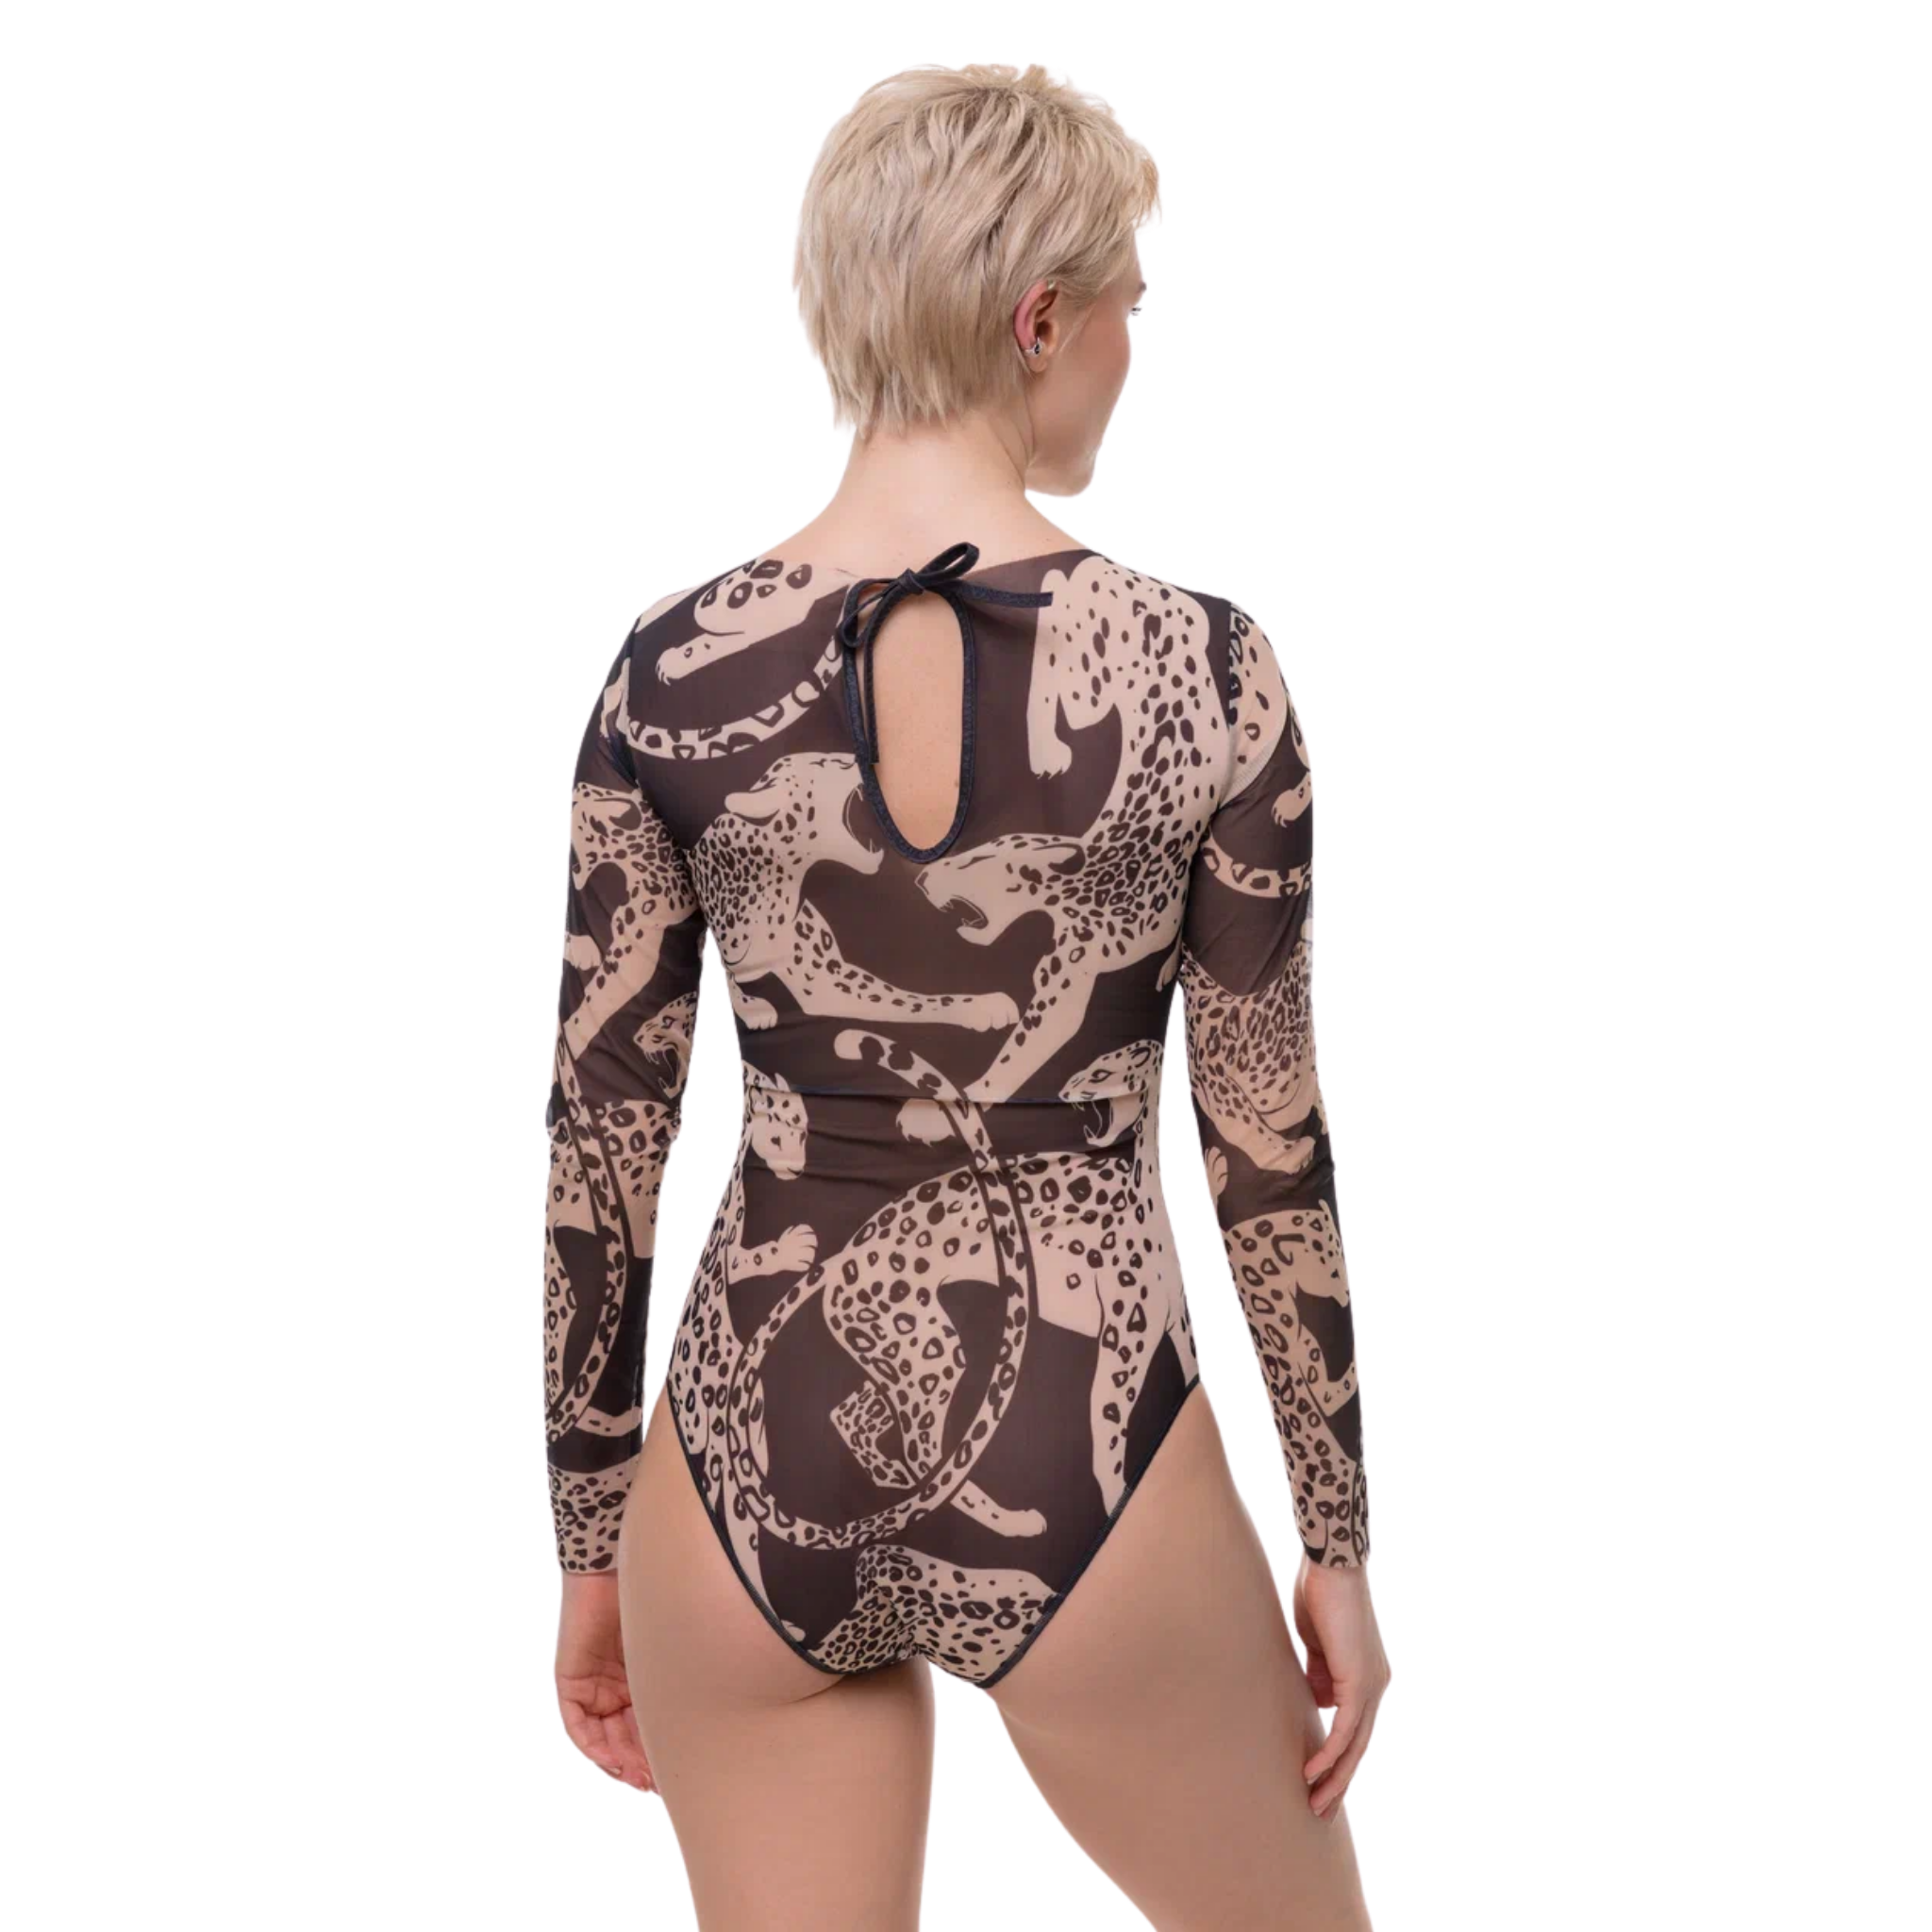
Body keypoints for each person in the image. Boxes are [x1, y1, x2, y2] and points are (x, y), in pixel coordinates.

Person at [542, 60, 1390, 1930]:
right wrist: (1334, 1538)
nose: (1129, 354)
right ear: (1041, 321)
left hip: (744, 1450)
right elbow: (1266, 1139)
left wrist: (594, 1544)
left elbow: (602, 1140)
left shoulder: (669, 673)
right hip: (1082, 1441)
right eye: (1128, 310)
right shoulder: (1206, 672)